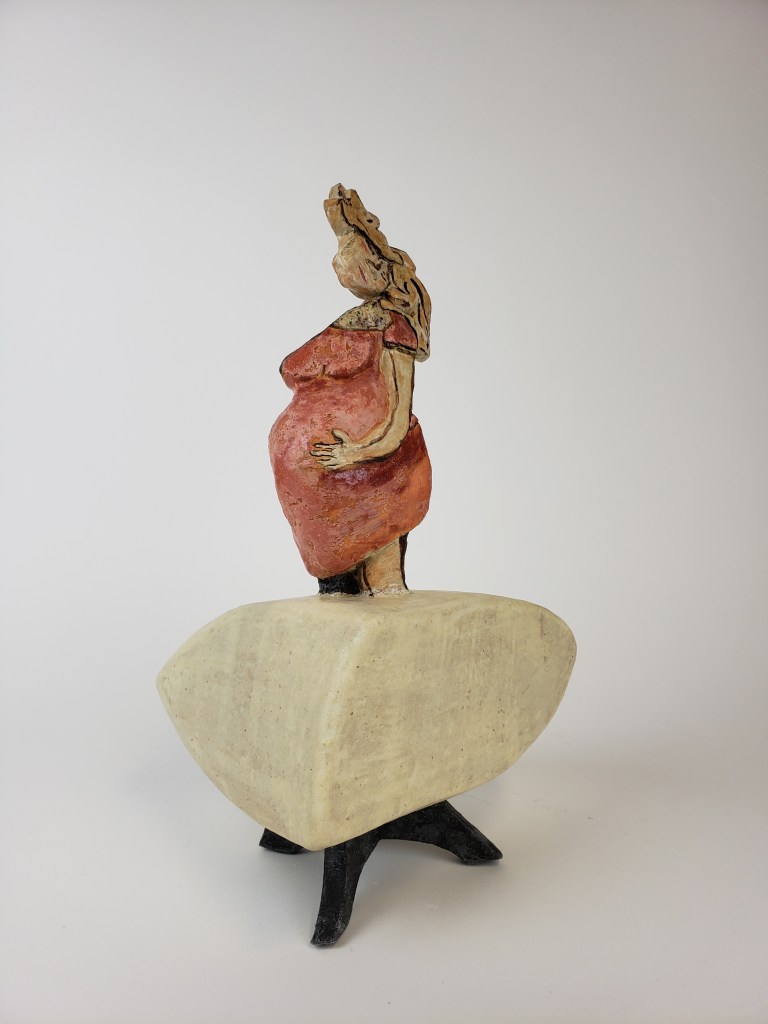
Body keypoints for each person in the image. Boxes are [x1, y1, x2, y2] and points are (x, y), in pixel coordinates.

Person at [269, 184, 431, 595]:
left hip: (371, 479)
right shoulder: (353, 320)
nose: (344, 274)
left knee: (385, 591)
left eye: (350, 263)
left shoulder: (395, 327)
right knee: (337, 597)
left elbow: (397, 419)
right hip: (319, 497)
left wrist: (354, 454)